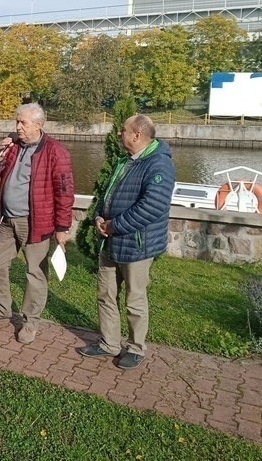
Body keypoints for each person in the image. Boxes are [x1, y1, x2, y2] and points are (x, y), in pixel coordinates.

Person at [77, 114, 175, 370]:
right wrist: (99, 216)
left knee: (135, 298)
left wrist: (115, 225)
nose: (118, 134)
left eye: (123, 130)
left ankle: (135, 348)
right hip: (111, 242)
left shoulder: (158, 164)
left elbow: (152, 207)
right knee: (106, 294)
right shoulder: (127, 161)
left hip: (137, 245)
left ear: (137, 135)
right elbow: (106, 194)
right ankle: (109, 343)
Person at [0, 103, 75, 345]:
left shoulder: (55, 152)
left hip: (36, 222)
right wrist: (0, 153)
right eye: (17, 122)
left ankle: (30, 322)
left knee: (35, 273)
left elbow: (64, 192)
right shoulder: (13, 146)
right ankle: (2, 307)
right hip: (8, 219)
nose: (18, 127)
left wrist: (62, 228)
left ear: (38, 125)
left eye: (23, 123)